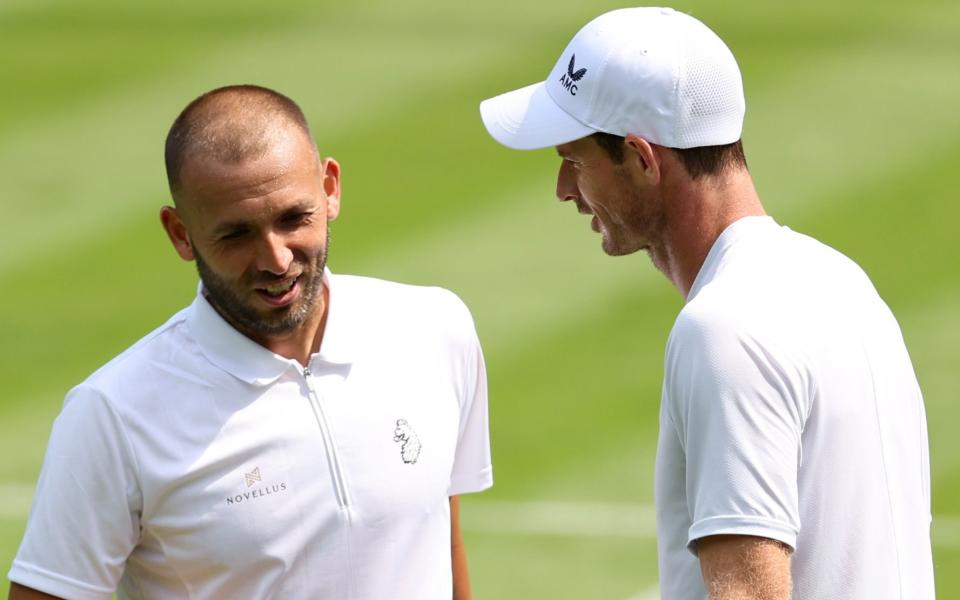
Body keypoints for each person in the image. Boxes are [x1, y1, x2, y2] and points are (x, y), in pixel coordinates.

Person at [479, 7, 933, 599]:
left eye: (573, 161)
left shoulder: (725, 328)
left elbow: (749, 592)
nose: (565, 190)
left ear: (643, 161)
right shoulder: (844, 284)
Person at [8, 85, 492, 599]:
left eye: (292, 219)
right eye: (235, 235)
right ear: (180, 234)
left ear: (330, 188)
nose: (276, 260)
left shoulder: (435, 328)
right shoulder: (112, 415)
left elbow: (439, 541)